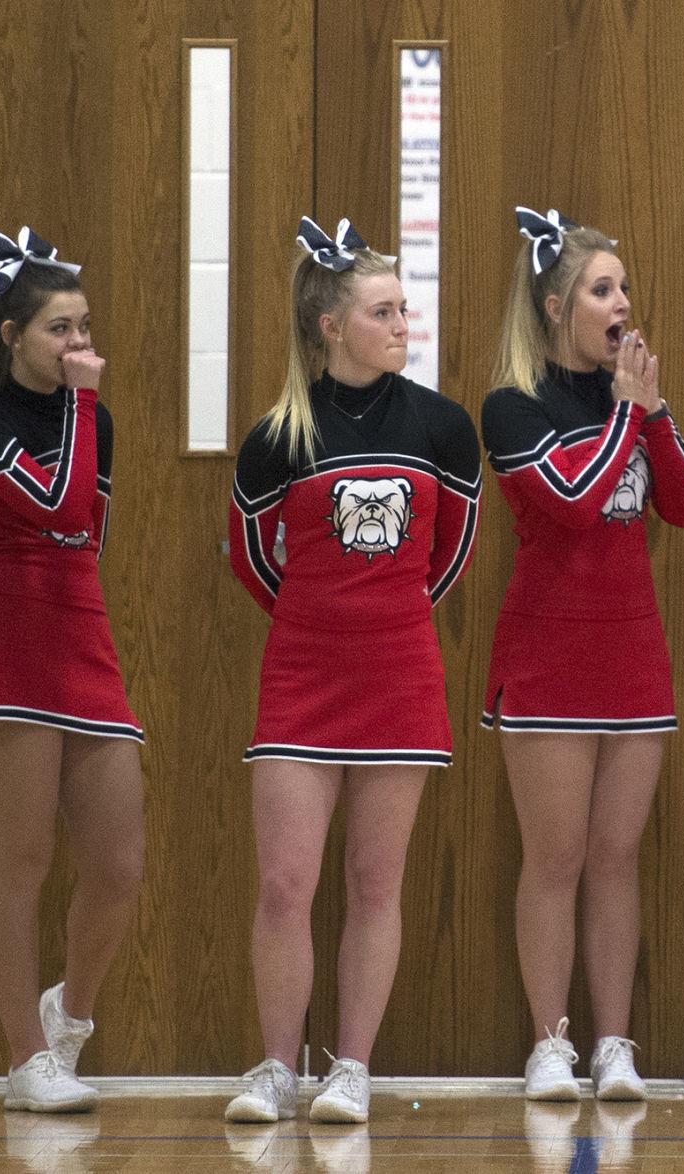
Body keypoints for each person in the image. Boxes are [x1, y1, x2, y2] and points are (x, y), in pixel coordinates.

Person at [224, 216, 481, 1124]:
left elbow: (448, 556)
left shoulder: (443, 427)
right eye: (384, 310)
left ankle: (351, 1070)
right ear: (332, 325)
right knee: (284, 885)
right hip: (301, 675)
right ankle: (273, 1066)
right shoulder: (274, 437)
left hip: (400, 672)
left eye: (404, 309)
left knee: (377, 884)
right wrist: (319, 618)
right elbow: (252, 561)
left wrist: (386, 614)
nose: (403, 323)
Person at [481, 207, 684, 1100]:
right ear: (554, 306)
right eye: (601, 288)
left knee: (617, 858)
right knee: (557, 859)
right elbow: (574, 501)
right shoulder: (512, 406)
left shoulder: (636, 402)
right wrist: (627, 414)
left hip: (632, 659)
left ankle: (614, 1044)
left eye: (623, 287)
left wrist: (647, 417)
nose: (621, 302)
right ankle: (551, 1043)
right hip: (546, 662)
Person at [0, 227, 145, 1112]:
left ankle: (68, 1017)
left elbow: (83, 537)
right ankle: (26, 1060)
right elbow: (55, 503)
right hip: (10, 658)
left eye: (85, 326)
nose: (79, 346)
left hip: (80, 639)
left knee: (118, 865)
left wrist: (84, 407)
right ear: (10, 334)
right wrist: (81, 402)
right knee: (20, 856)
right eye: (60, 329)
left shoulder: (92, 419)